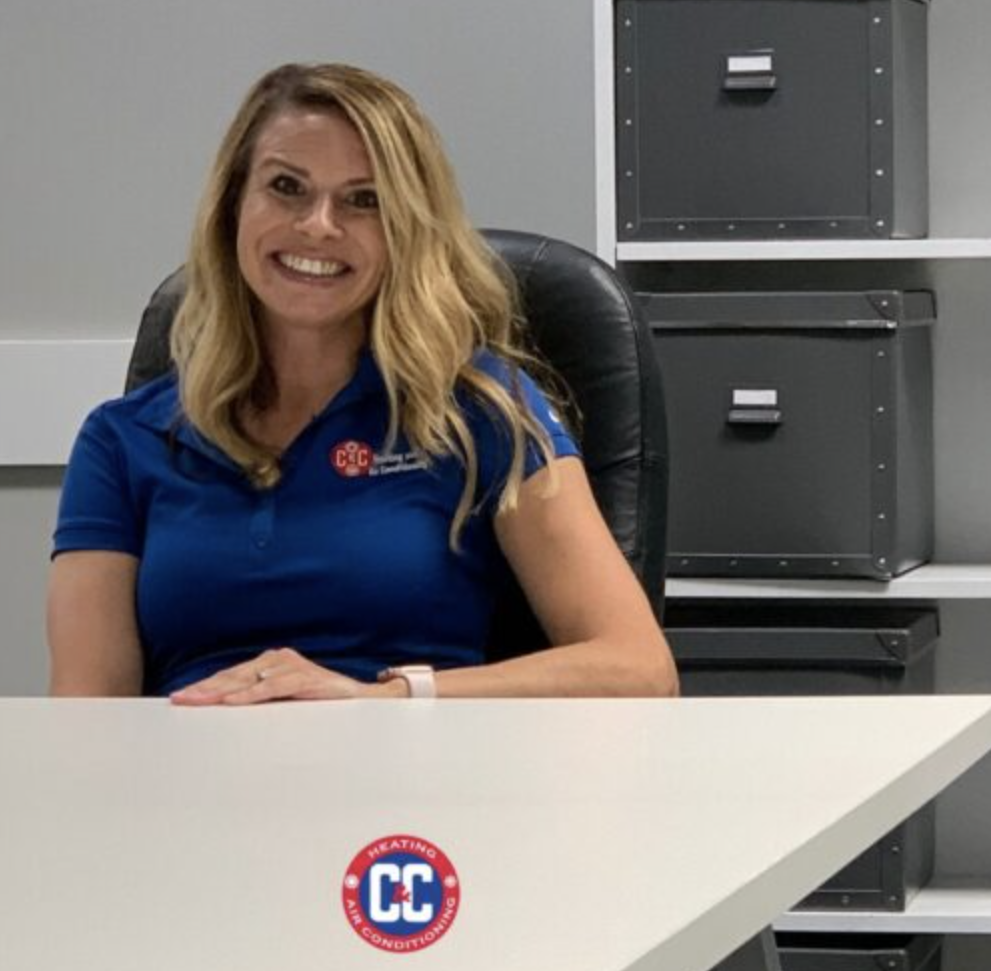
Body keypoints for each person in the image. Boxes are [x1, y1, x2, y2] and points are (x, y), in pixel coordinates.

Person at [47, 62, 678, 705]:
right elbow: (89, 714)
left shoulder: (481, 410)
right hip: (188, 789)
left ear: (405, 228)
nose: (319, 224)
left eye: (363, 200)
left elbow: (638, 667)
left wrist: (387, 698)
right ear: (233, 205)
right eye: (287, 186)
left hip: (409, 786)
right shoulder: (122, 440)